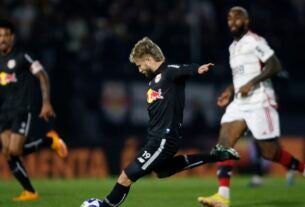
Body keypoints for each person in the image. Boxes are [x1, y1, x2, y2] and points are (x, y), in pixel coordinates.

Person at [95, 37, 239, 207]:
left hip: (163, 140)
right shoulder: (155, 80)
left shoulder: (169, 72)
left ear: (149, 59)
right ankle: (215, 155)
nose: (139, 69)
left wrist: (197, 69)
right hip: (157, 139)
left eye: (139, 65)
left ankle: (103, 206)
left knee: (126, 176)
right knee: (163, 171)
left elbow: (182, 70)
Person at [197, 6, 305, 207]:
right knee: (223, 143)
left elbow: (275, 65)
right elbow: (240, 77)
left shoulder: (255, 41)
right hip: (239, 103)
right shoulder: (232, 48)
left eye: (237, 19)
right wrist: (230, 90)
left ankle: (302, 168)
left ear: (246, 22)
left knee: (269, 152)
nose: (232, 22)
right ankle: (222, 196)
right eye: (229, 19)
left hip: (260, 101)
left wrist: (252, 83)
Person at [0, 19, 68, 201]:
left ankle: (49, 141)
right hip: (3, 112)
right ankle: (30, 191)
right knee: (8, 153)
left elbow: (42, 75)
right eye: (0, 35)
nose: (2, 39)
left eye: (6, 35)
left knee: (14, 151)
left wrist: (46, 102)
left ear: (12, 37)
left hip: (22, 108)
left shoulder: (22, 56)